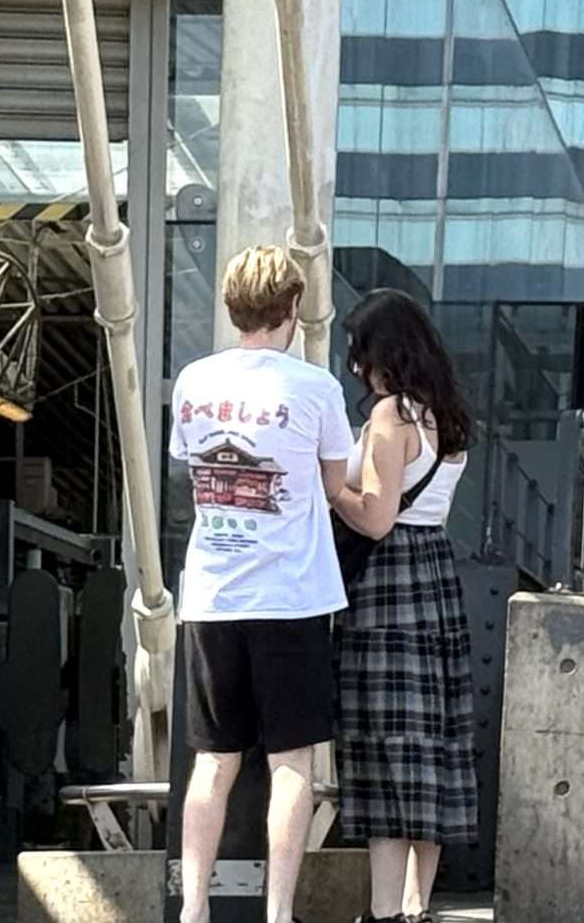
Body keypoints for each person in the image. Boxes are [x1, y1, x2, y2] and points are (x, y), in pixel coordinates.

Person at [169, 245, 355, 923]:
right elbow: (338, 487)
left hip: (213, 595)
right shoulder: (316, 389)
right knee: (291, 765)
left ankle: (193, 908)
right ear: (295, 307)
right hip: (293, 597)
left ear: (231, 306)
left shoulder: (193, 382)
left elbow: (188, 470)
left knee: (212, 762)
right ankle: (277, 912)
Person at [330, 290, 479, 923]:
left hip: (388, 586)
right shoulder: (447, 413)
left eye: (360, 354)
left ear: (379, 353)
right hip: (437, 577)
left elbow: (377, 517)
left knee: (385, 746)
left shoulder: (389, 416)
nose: (358, 369)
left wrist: (330, 486)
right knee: (430, 747)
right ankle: (417, 905)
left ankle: (385, 912)